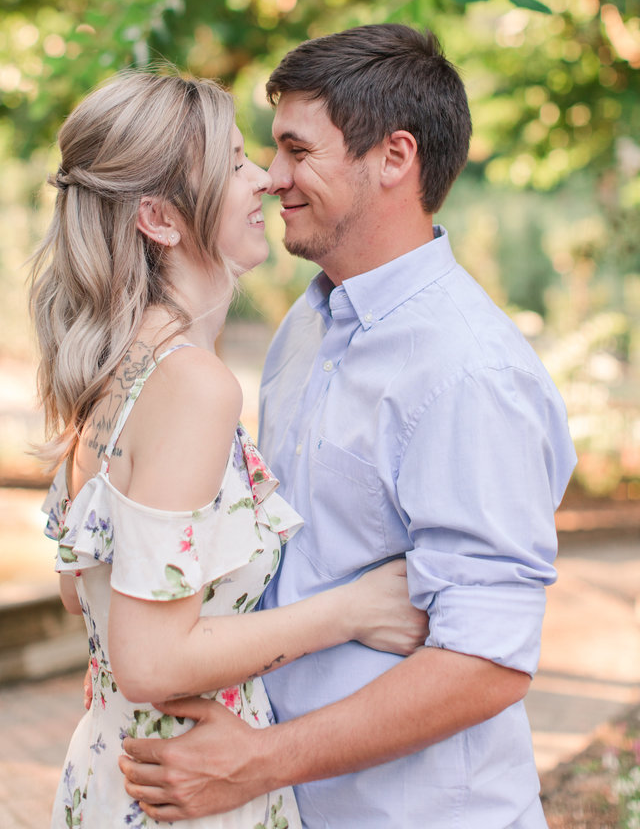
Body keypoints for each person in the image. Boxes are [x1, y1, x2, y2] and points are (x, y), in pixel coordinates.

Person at [119, 24, 578, 828]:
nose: (271, 178)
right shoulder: (307, 324)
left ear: (394, 158)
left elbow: (488, 661)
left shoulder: (471, 375)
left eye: (298, 151)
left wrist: (257, 763)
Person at [30, 68, 428, 828]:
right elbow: (147, 660)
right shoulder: (194, 387)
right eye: (236, 163)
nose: (266, 182)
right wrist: (351, 611)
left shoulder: (113, 371)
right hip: (188, 791)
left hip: (113, 777)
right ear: (159, 218)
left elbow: (78, 596)